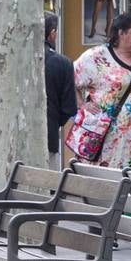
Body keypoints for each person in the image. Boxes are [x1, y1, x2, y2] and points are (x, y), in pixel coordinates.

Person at [72, 12, 131, 171]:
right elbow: (70, 81)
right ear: (121, 33)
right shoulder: (96, 57)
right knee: (111, 185)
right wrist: (81, 105)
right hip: (108, 139)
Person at [43, 12, 78, 169]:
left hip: (15, 139)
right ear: (53, 33)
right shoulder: (63, 63)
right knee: (49, 186)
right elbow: (69, 108)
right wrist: (55, 121)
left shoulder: (13, 59)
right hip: (49, 135)